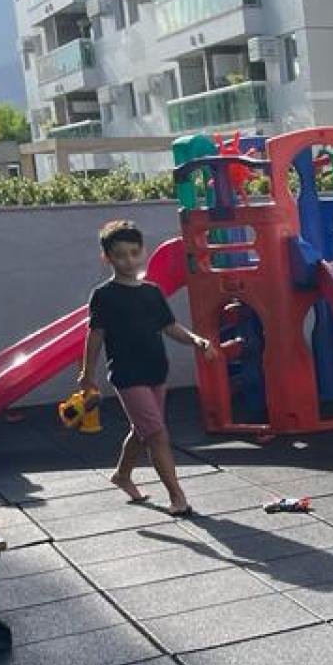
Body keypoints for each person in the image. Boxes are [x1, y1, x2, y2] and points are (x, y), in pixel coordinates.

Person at [77, 220, 216, 516]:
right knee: (157, 434)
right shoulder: (104, 295)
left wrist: (196, 340)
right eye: (119, 255)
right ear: (107, 258)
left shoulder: (152, 292)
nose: (128, 260)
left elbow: (170, 327)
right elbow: (95, 336)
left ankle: (122, 475)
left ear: (143, 252)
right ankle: (177, 496)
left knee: (142, 431)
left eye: (133, 253)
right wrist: (87, 374)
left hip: (156, 370)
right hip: (127, 375)